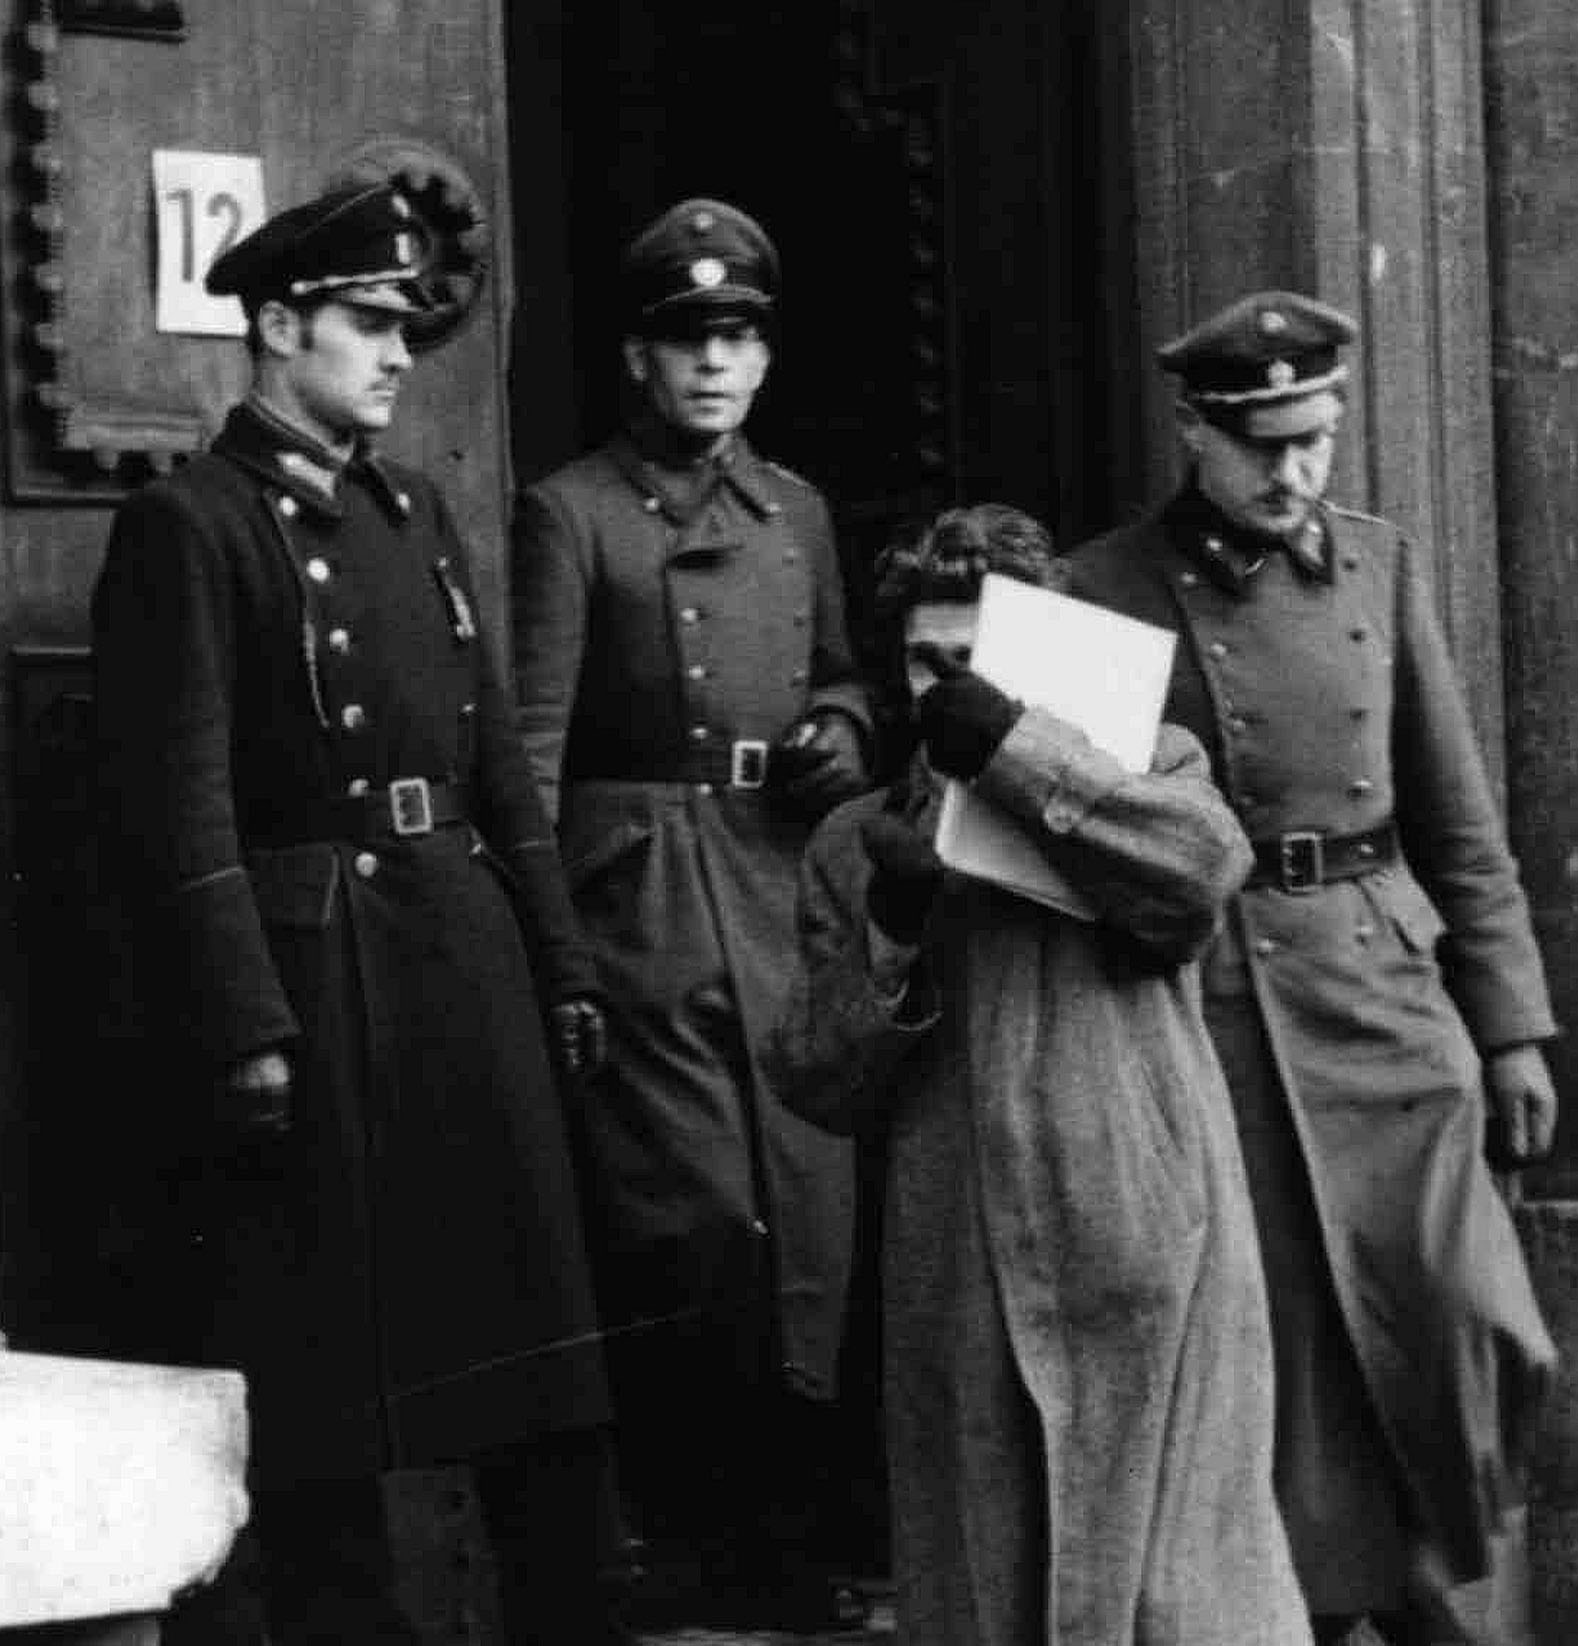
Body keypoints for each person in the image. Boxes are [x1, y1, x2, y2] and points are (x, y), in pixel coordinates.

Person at [91, 181, 630, 1645]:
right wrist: (244, 1025)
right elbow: (177, 801)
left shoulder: (417, 509)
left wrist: (555, 957)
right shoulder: (189, 525)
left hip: (460, 955)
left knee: (538, 1366)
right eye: (367, 325)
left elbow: (495, 762)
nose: (398, 356)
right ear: (276, 326)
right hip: (321, 984)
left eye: (407, 327)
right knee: (334, 1386)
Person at [1065, 291, 1560, 1645]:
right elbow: (1067, 832)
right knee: (1284, 1352)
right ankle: (1334, 1608)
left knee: (1461, 1312)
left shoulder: (1379, 565)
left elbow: (1456, 817)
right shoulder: (1097, 587)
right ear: (1194, 431)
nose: (1293, 474)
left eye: (1316, 440)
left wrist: (1506, 1024)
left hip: (1383, 985)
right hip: (1216, 1006)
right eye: (1264, 445)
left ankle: (1411, 1580)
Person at [771, 503, 1311, 1646]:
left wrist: (1015, 750)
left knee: (1179, 1597)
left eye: (975, 659)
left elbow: (1205, 874)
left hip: (1146, 1239)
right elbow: (818, 1079)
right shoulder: (854, 838)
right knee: (988, 1587)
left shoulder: (1142, 766)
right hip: (961, 1267)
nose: (944, 684)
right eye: (925, 659)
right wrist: (895, 925)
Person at [510, 196, 875, 1630]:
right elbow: (531, 741)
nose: (714, 364)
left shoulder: (795, 512)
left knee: (811, 1213)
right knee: (699, 1219)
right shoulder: (573, 512)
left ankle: (795, 1536)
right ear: (636, 359)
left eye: (737, 338)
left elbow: (846, 666)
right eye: (686, 338)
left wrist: (843, 723)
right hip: (643, 893)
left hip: (777, 877)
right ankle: (701, 1530)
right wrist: (546, 941)